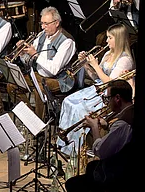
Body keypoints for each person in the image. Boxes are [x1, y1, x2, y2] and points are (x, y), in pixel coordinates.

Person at [65, 80, 135, 192]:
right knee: (92, 168)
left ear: (117, 98)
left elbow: (101, 152)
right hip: (135, 168)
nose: (106, 103)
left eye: (107, 98)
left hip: (125, 176)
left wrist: (95, 128)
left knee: (73, 184)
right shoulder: (136, 113)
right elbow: (122, 140)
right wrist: (107, 126)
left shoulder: (123, 123)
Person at [57, 23, 135, 154]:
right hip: (96, 88)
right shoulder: (108, 54)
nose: (106, 41)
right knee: (68, 101)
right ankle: (65, 142)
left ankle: (76, 149)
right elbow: (96, 77)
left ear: (119, 39)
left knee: (79, 109)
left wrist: (96, 65)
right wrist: (86, 65)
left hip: (107, 94)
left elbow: (111, 84)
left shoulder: (125, 60)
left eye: (110, 38)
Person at [6, 6, 76, 120]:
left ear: (56, 23)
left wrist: (35, 54)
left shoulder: (67, 41)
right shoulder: (41, 35)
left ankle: (39, 123)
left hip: (59, 79)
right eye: (42, 23)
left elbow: (54, 70)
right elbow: (29, 62)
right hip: (39, 75)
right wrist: (23, 54)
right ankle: (29, 118)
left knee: (40, 89)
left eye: (46, 24)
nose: (43, 27)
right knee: (13, 85)